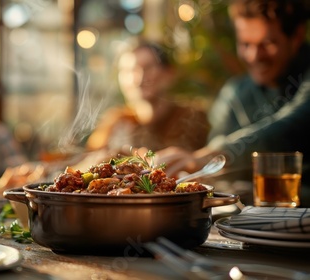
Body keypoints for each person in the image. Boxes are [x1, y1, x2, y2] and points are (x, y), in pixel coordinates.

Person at [155, 0, 310, 204]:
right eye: (245, 44)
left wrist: (214, 155)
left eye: (268, 44)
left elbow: (292, 126)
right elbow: (216, 175)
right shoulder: (235, 93)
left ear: (297, 36)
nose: (254, 56)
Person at [85, 40, 210, 154]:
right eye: (128, 70)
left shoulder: (193, 118)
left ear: (169, 73)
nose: (138, 79)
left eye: (148, 68)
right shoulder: (114, 122)